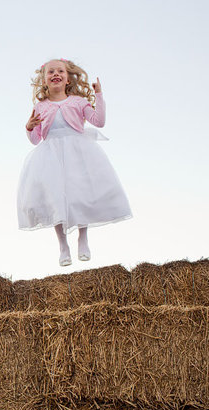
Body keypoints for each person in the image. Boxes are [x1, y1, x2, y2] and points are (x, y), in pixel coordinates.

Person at [16, 58, 132, 266]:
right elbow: (35, 140)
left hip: (77, 153)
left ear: (68, 78)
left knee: (79, 194)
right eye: (50, 72)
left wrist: (99, 95)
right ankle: (63, 245)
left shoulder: (78, 102)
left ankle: (83, 238)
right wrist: (29, 126)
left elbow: (100, 121)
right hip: (50, 156)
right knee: (56, 199)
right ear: (44, 80)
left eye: (60, 71)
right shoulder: (40, 106)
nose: (55, 74)